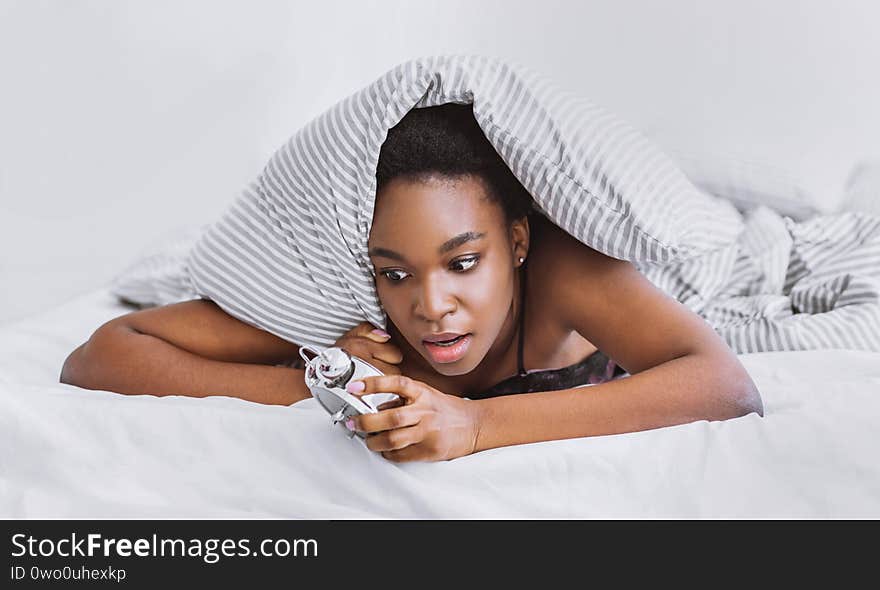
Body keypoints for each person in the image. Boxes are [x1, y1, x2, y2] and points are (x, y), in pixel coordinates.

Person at [60, 104, 763, 462]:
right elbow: (100, 355)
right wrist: (323, 384)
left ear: (515, 241)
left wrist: (475, 423)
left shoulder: (561, 267)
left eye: (463, 263)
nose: (429, 307)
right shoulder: (352, 291)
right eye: (395, 272)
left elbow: (724, 386)